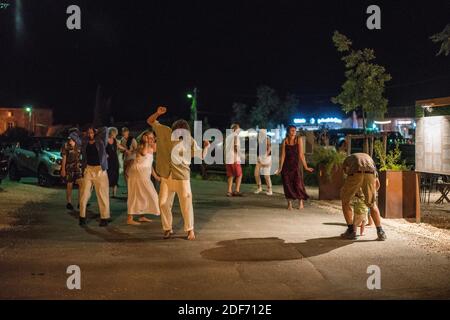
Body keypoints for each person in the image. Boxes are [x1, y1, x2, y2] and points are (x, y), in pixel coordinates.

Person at [147, 106, 210, 240]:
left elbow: (202, 156)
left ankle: (190, 230)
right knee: (163, 203)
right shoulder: (164, 131)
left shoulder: (189, 141)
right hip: (166, 176)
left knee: (186, 204)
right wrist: (157, 113)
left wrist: (206, 147)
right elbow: (150, 121)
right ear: (173, 129)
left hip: (182, 177)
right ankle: (167, 228)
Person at [340, 152, 387, 241]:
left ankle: (351, 231)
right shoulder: (370, 160)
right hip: (370, 173)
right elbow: (377, 183)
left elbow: (346, 173)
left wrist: (351, 191)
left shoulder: (348, 159)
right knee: (372, 204)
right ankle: (381, 232)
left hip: (356, 172)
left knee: (345, 201)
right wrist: (372, 194)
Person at [126, 130, 160, 225]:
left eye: (152, 138)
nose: (151, 139)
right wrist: (145, 142)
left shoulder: (152, 147)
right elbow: (144, 153)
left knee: (144, 195)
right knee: (135, 195)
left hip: (145, 174)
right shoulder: (141, 147)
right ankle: (129, 218)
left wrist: (156, 176)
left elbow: (150, 164)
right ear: (144, 138)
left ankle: (142, 216)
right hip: (137, 174)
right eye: (149, 138)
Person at [78, 126, 110, 227]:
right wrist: (83, 133)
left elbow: (105, 129)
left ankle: (104, 218)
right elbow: (73, 134)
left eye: (92, 132)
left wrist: (96, 131)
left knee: (102, 194)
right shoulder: (84, 142)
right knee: (84, 194)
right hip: (88, 169)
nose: (90, 134)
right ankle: (82, 217)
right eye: (89, 133)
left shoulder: (101, 141)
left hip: (100, 170)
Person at [276, 125, 314, 210]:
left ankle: (300, 202)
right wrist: (280, 168)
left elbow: (301, 154)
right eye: (292, 131)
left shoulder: (298, 140)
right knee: (287, 184)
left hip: (295, 166)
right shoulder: (285, 141)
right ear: (288, 132)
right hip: (286, 166)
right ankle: (289, 203)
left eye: (295, 131)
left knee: (298, 184)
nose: (294, 132)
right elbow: (282, 156)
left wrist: (306, 167)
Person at [61, 130, 82, 211]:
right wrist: (63, 169)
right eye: (69, 139)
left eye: (72, 140)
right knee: (69, 184)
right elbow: (64, 158)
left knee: (81, 184)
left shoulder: (79, 145)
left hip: (78, 167)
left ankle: (80, 202)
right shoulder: (66, 146)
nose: (70, 141)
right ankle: (69, 202)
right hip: (69, 167)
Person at [225, 123, 243, 197]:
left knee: (230, 175)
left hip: (228, 159)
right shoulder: (236, 136)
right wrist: (241, 155)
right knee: (239, 175)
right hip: (234, 159)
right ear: (235, 129)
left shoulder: (228, 137)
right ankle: (236, 190)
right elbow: (236, 147)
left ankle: (229, 191)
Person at [254, 128, 272, 195]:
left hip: (267, 158)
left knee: (266, 176)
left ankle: (270, 189)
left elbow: (269, 148)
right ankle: (259, 188)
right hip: (260, 158)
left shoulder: (267, 138)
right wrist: (258, 157)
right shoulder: (259, 139)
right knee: (256, 174)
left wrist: (266, 157)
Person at [106, 127, 120, 198]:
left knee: (115, 175)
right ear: (111, 133)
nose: (116, 135)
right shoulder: (105, 140)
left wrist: (126, 150)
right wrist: (105, 155)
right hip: (108, 161)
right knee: (109, 176)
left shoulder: (115, 140)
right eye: (115, 133)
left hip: (115, 159)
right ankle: (107, 193)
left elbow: (118, 146)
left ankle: (114, 194)